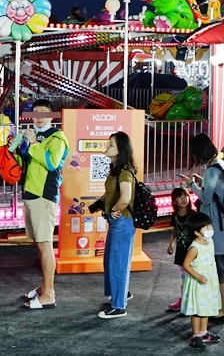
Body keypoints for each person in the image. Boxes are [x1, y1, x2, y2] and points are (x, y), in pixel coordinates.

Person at [13, 99, 69, 309]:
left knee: (45, 244)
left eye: (43, 113)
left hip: (44, 195)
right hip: (31, 193)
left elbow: (52, 163)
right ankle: (44, 287)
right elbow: (27, 162)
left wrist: (34, 144)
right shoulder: (35, 136)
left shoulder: (57, 137)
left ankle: (49, 294)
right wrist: (19, 149)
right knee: (39, 243)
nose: (38, 116)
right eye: (35, 112)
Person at [186, 133, 224, 323]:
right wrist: (201, 181)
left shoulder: (214, 170)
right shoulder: (219, 165)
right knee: (219, 269)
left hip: (216, 226)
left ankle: (223, 311)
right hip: (222, 225)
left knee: (218, 270)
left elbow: (206, 198)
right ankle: (223, 308)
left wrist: (192, 186)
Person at [95, 132, 137, 319]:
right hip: (117, 223)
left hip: (122, 222)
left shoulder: (124, 171)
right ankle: (120, 295)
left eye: (111, 144)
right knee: (113, 261)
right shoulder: (116, 169)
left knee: (117, 263)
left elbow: (125, 197)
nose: (107, 145)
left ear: (120, 149)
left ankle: (119, 306)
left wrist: (114, 210)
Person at [181, 212, 222, 349]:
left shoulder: (209, 242)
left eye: (209, 226)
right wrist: (198, 276)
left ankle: (204, 332)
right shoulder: (194, 248)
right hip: (198, 282)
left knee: (206, 307)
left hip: (209, 281)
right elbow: (186, 265)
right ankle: (196, 335)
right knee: (198, 310)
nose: (210, 229)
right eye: (206, 227)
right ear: (197, 232)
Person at [167, 187, 194, 312]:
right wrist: (170, 244)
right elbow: (175, 231)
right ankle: (183, 299)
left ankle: (191, 300)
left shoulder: (194, 215)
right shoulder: (175, 216)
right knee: (183, 277)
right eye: (179, 197)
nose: (183, 199)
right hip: (181, 251)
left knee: (191, 276)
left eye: (185, 195)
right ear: (174, 201)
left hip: (192, 252)